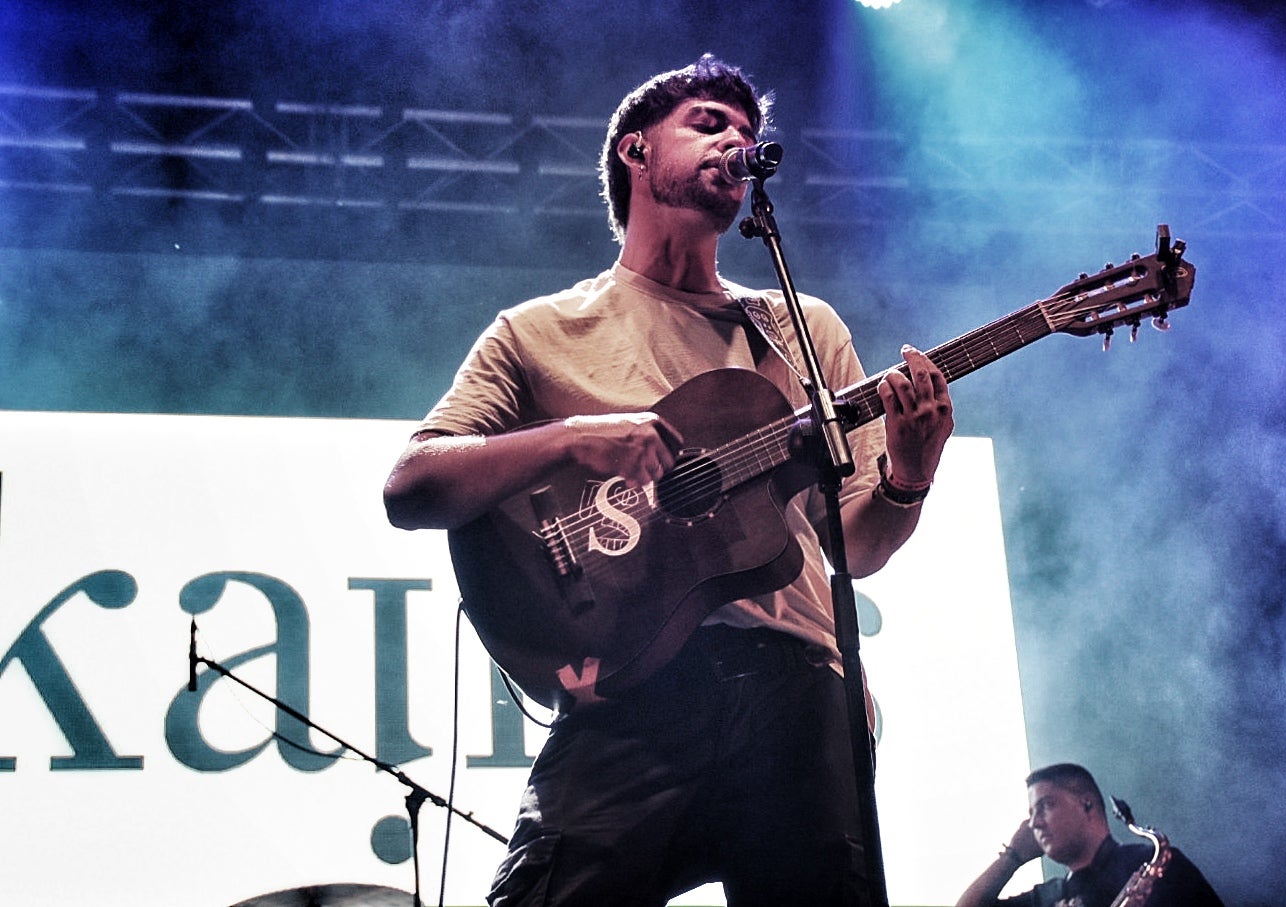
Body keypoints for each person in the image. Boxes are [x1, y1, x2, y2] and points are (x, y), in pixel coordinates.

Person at [382, 54, 954, 906]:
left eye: (746, 133)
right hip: (633, 687)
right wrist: (572, 440)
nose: (735, 140)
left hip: (797, 691)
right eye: (707, 123)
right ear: (635, 152)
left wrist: (908, 475)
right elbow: (412, 486)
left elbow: (856, 550)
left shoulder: (802, 328)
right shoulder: (539, 332)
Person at [956, 763, 1225, 907]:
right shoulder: (1046, 896)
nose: (1034, 823)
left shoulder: (1155, 864)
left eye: (1046, 806)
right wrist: (1012, 858)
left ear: (1087, 804)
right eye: (1031, 812)